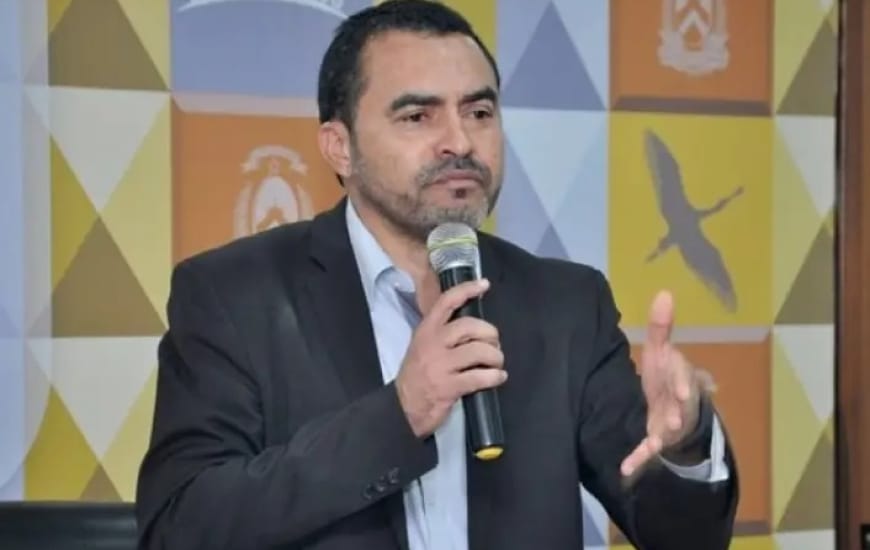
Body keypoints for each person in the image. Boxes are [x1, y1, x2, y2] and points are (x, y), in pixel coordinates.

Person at [135, 1, 739, 548]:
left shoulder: (566, 304)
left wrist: (687, 446)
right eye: (418, 116)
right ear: (340, 147)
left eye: (479, 111)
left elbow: (683, 538)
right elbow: (179, 526)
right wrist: (399, 414)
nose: (459, 141)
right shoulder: (234, 296)